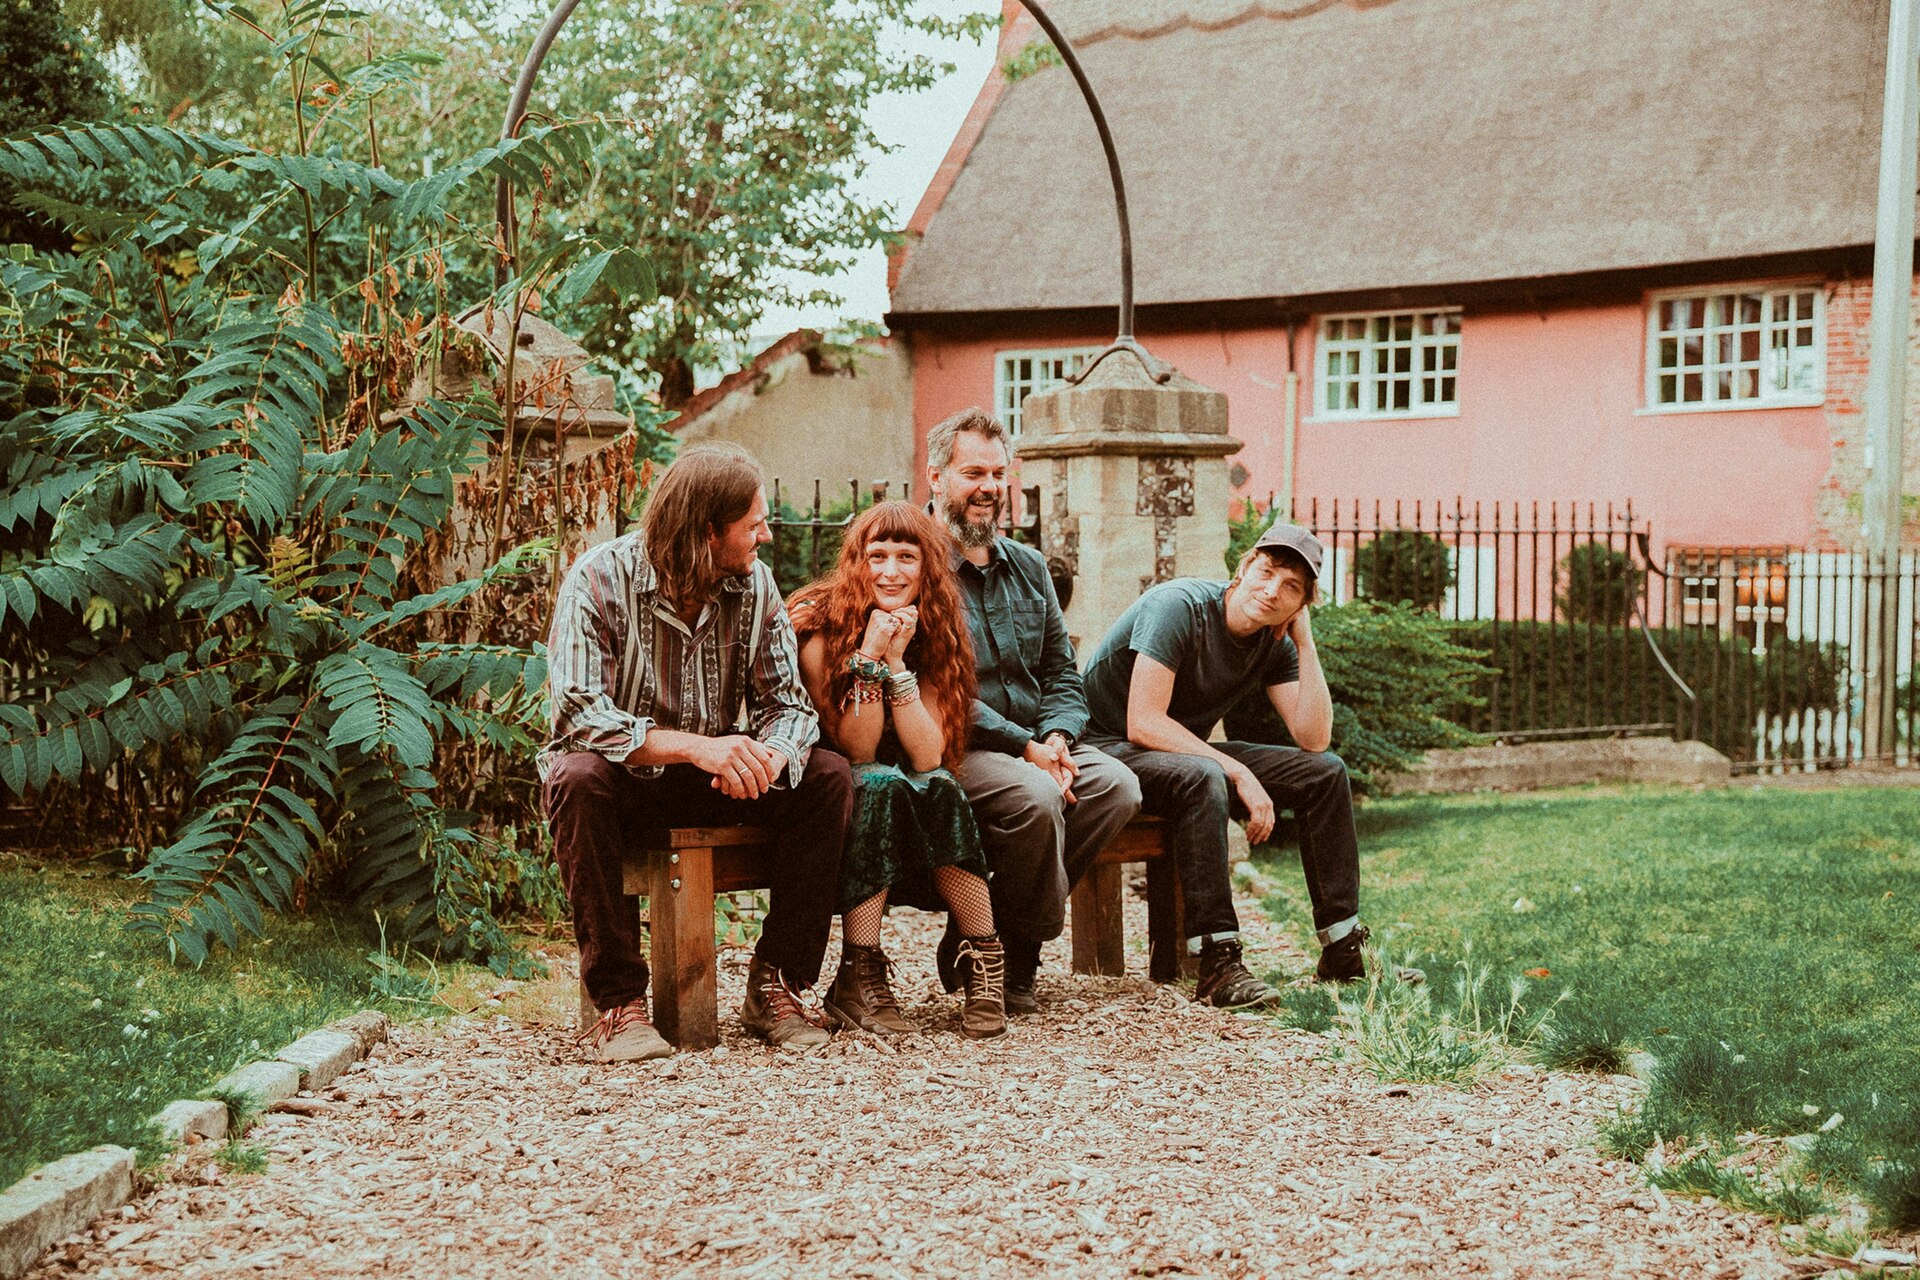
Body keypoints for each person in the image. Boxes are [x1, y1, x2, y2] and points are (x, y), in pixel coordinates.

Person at [541, 442, 852, 1061]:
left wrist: (766, 757)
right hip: (624, 782)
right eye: (754, 524)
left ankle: (778, 983)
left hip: (709, 781)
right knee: (575, 777)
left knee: (827, 778)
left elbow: (789, 706)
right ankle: (618, 1005)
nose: (766, 535)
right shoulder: (597, 579)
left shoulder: (755, 585)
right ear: (709, 531)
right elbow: (579, 715)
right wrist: (699, 748)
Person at [1080, 522, 1411, 1007]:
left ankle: (1343, 949)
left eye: (1292, 587)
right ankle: (1218, 962)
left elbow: (1314, 737)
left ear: (1302, 605)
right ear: (1244, 568)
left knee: (1324, 773)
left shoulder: (1273, 642)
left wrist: (1305, 644)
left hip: (1174, 754)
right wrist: (1239, 771)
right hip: (1102, 750)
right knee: (1205, 773)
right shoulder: (1178, 607)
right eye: (1267, 571)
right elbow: (1143, 722)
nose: (1273, 590)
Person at [926, 408, 1142, 1013]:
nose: (990, 488)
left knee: (1118, 786)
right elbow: (936, 689)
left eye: (999, 474)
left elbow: (1060, 672)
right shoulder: (914, 565)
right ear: (936, 477)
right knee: (1037, 797)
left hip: (1036, 745)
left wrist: (1057, 738)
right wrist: (1026, 748)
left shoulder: (1029, 567)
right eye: (974, 473)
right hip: (954, 745)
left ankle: (993, 933)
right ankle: (1014, 951)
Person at [787, 502, 1005, 1040]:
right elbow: (857, 750)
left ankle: (985, 960)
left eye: (906, 557)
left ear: (926, 567)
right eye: (877, 555)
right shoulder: (817, 625)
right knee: (880, 781)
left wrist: (898, 663)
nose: (890, 571)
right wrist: (869, 654)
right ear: (855, 563)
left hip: (909, 784)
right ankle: (858, 973)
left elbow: (928, 755)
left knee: (941, 785)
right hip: (828, 784)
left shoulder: (936, 627)